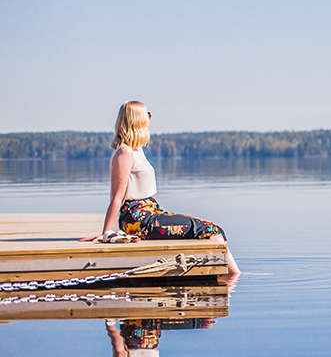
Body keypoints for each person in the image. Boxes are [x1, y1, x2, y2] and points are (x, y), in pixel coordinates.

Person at [79, 101, 240, 276]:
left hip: (150, 213)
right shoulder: (124, 153)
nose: (149, 118)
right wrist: (106, 233)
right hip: (139, 219)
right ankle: (234, 278)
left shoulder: (136, 150)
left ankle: (232, 276)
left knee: (215, 231)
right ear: (137, 121)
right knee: (211, 230)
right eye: (146, 115)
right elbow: (117, 197)